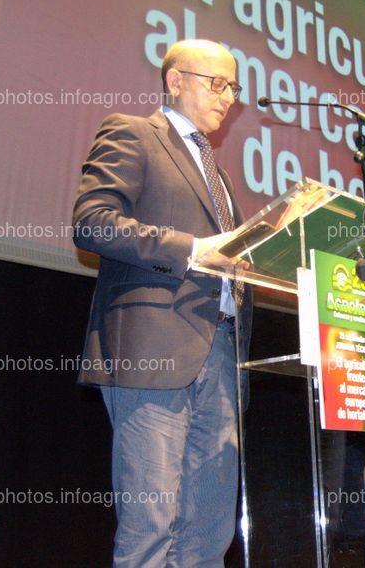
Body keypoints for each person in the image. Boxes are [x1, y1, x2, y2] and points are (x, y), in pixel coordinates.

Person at [73, 39, 253, 567]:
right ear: (175, 80)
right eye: (217, 84)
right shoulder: (133, 132)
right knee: (151, 525)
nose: (228, 98)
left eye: (234, 89)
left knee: (208, 532)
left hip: (221, 353)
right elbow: (93, 221)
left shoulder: (217, 174)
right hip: (153, 351)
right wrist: (193, 249)